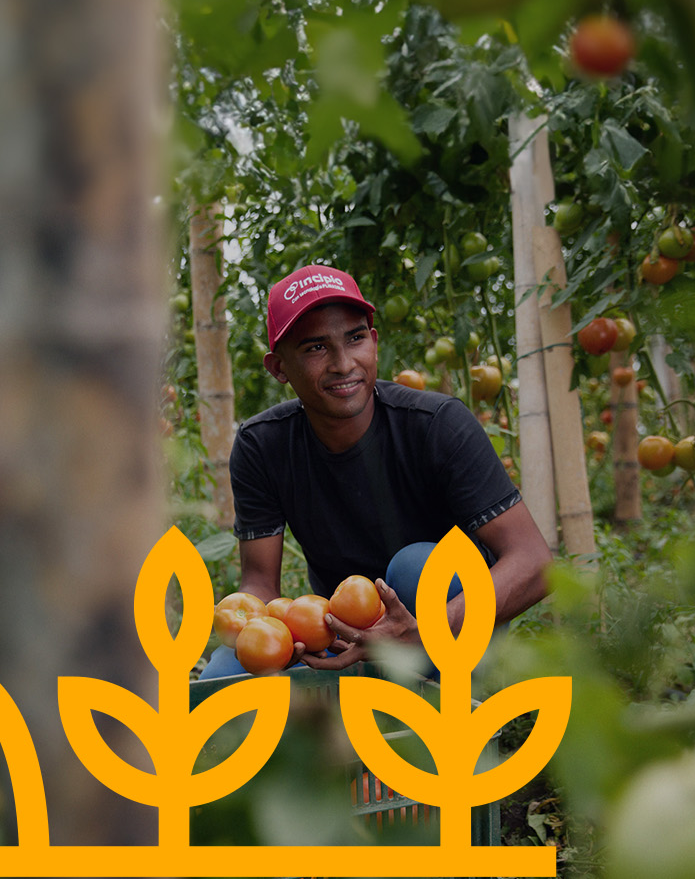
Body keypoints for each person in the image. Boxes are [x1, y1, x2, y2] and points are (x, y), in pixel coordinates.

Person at [197, 264, 553, 679]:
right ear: (279, 368)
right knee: (222, 677)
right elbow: (259, 582)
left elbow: (535, 561)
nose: (343, 363)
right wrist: (267, 629)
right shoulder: (264, 445)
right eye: (315, 348)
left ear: (374, 342)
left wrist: (426, 634)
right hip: (347, 635)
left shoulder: (437, 424)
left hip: (449, 620)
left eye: (355, 338)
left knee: (417, 567)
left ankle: (443, 700)